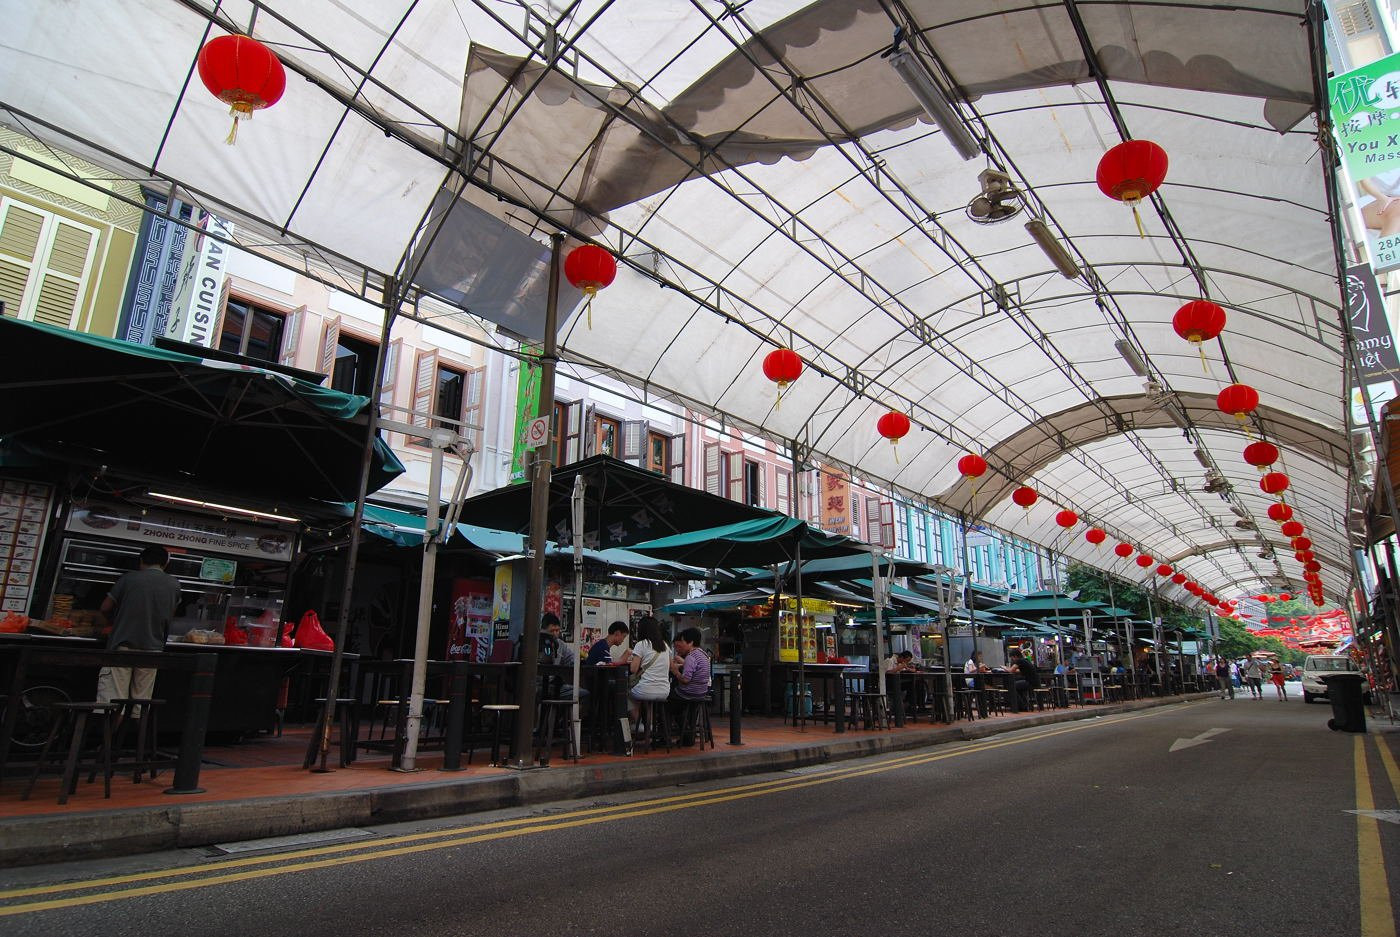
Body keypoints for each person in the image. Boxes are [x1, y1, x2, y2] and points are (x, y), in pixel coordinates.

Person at [97, 545, 182, 722]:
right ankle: (135, 743)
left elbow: (105, 607)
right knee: (141, 703)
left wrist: (114, 621)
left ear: (141, 560)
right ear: (165, 564)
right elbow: (170, 615)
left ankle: (108, 743)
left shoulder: (128, 579)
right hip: (153, 649)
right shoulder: (174, 585)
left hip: (123, 645)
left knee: (114, 701)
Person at [669, 627, 711, 743]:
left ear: (690, 642)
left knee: (666, 704)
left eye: (682, 641)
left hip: (688, 693)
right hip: (701, 693)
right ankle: (688, 734)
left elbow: (686, 680)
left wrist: (675, 671)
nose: (681, 644)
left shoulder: (691, 657)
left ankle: (666, 737)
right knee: (681, 707)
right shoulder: (703, 655)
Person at [627, 616, 671, 725]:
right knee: (649, 703)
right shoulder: (665, 645)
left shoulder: (641, 644)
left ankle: (639, 725)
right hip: (664, 692)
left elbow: (633, 669)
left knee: (626, 694)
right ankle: (650, 726)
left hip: (645, 690)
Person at [1007, 648, 1038, 712]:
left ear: (1015, 656)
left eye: (1012, 658)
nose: (1012, 660)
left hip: (1029, 682)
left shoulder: (1019, 661)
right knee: (1017, 687)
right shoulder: (1025, 660)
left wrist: (1003, 667)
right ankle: (1022, 706)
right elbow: (1018, 670)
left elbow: (1010, 671)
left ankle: (1020, 706)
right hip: (1034, 682)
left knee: (1011, 686)